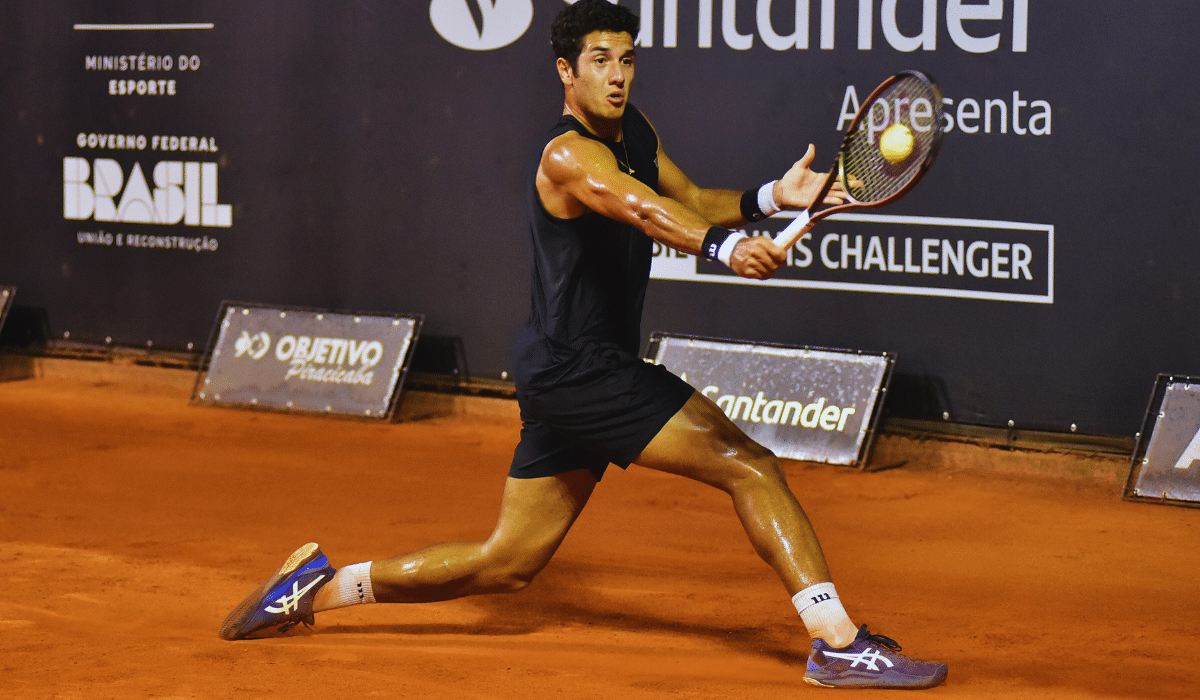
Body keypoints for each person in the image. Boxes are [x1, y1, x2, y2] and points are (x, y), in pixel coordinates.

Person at [220, 0, 947, 690]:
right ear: (566, 72)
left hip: (563, 371)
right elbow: (640, 208)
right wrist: (725, 249)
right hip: (581, 369)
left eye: (627, 59)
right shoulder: (568, 157)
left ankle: (318, 590)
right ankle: (839, 644)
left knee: (506, 564)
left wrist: (771, 199)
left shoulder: (634, 132)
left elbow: (687, 197)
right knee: (748, 463)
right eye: (600, 60)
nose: (618, 75)